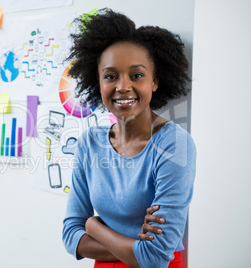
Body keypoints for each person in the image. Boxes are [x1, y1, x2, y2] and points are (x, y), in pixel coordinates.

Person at [62, 8, 196, 268]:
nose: (123, 86)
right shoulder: (90, 143)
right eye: (110, 76)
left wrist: (93, 226)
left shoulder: (175, 145)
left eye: (136, 75)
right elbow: (70, 236)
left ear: (155, 81)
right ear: (98, 82)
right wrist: (137, 247)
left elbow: (157, 258)